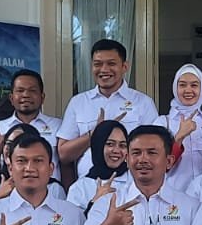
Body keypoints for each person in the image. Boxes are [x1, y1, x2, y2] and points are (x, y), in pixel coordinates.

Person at [56, 39, 160, 176]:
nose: (104, 69)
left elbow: (155, 150)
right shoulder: (78, 102)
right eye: (97, 64)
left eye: (111, 63)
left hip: (131, 183)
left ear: (124, 67)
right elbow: (64, 154)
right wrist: (94, 134)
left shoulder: (143, 103)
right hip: (88, 184)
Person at [0, 69, 62, 181]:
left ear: (42, 97)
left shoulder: (57, 126)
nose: (26, 95)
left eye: (32, 90)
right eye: (20, 90)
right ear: (11, 98)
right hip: (7, 190)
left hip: (50, 190)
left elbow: (66, 166)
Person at [164, 63, 202, 186]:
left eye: (194, 85)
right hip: (172, 192)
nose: (188, 90)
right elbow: (156, 164)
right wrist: (179, 137)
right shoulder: (162, 122)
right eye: (182, 85)